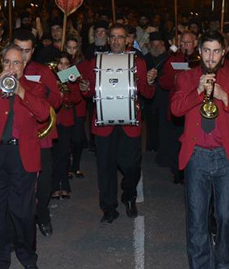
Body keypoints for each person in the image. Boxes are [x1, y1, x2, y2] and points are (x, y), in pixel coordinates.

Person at [171, 30, 229, 269]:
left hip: (225, 156)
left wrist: (224, 96)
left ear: (223, 53)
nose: (211, 57)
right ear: (199, 51)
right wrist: (197, 91)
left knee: (226, 216)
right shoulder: (186, 78)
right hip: (196, 155)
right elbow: (175, 109)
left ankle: (223, 262)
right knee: (197, 219)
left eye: (216, 51)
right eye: (207, 51)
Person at [0, 44, 51, 269]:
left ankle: (27, 257)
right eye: (7, 62)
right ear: (2, 64)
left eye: (16, 62)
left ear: (24, 64)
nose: (11, 67)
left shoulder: (34, 87)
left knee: (23, 212)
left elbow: (43, 114)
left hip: (21, 155)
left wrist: (21, 91)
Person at [79, 24, 157, 224]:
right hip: (103, 124)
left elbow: (147, 93)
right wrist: (84, 87)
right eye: (112, 37)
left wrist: (149, 82)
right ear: (107, 39)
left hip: (130, 124)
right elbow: (89, 90)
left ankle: (129, 196)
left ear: (127, 40)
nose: (116, 41)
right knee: (105, 168)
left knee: (131, 166)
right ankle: (108, 208)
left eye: (120, 37)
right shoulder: (96, 61)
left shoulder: (138, 62)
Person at [12, 29, 62, 237]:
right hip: (13, 135)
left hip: (40, 135)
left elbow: (57, 102)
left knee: (43, 182)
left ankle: (42, 214)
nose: (23, 55)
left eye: (27, 51)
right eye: (19, 49)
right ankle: (17, 223)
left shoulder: (43, 71)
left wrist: (46, 91)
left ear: (33, 51)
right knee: (16, 182)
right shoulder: (3, 71)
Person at [158, 31, 198, 184]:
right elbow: (163, 82)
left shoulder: (200, 59)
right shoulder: (173, 59)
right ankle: (177, 171)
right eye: (182, 43)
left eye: (188, 42)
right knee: (176, 142)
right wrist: (175, 79)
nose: (185, 46)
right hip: (178, 106)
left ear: (195, 43)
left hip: (195, 107)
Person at [51, 52, 83, 199]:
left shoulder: (72, 78)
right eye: (60, 64)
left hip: (66, 120)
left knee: (63, 154)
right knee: (53, 154)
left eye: (66, 64)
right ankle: (54, 185)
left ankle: (64, 184)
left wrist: (64, 95)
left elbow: (77, 98)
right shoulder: (50, 77)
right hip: (52, 120)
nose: (63, 67)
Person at [64, 36, 88, 179]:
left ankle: (76, 165)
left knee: (78, 139)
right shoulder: (61, 61)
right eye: (69, 48)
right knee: (66, 140)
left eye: (74, 48)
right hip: (65, 105)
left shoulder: (83, 63)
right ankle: (66, 167)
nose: (71, 51)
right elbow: (59, 77)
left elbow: (81, 79)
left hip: (79, 105)